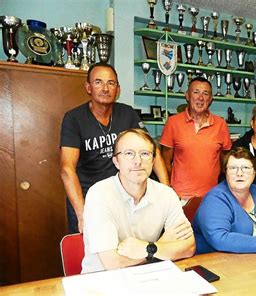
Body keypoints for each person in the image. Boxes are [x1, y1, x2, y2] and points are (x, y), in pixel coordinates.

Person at [60, 63, 169, 234]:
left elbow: (152, 150)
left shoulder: (127, 113)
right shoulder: (74, 118)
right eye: (98, 82)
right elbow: (67, 169)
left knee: (128, 248)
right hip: (88, 199)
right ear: (88, 87)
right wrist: (82, 214)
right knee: (91, 254)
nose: (105, 88)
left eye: (111, 83)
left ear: (118, 89)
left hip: (123, 197)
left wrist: (166, 193)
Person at [81, 129, 195, 274]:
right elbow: (113, 263)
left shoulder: (166, 194)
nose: (137, 161)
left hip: (149, 276)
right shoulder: (99, 194)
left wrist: (145, 248)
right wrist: (156, 247)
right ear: (116, 161)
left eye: (145, 154)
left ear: (153, 161)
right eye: (129, 154)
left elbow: (189, 247)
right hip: (101, 281)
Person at [160, 77, 232, 200]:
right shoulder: (173, 122)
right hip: (180, 197)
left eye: (205, 93)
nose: (200, 98)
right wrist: (169, 191)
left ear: (210, 99)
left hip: (212, 197)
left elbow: (226, 163)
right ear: (187, 95)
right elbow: (165, 162)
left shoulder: (221, 125)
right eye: (196, 92)